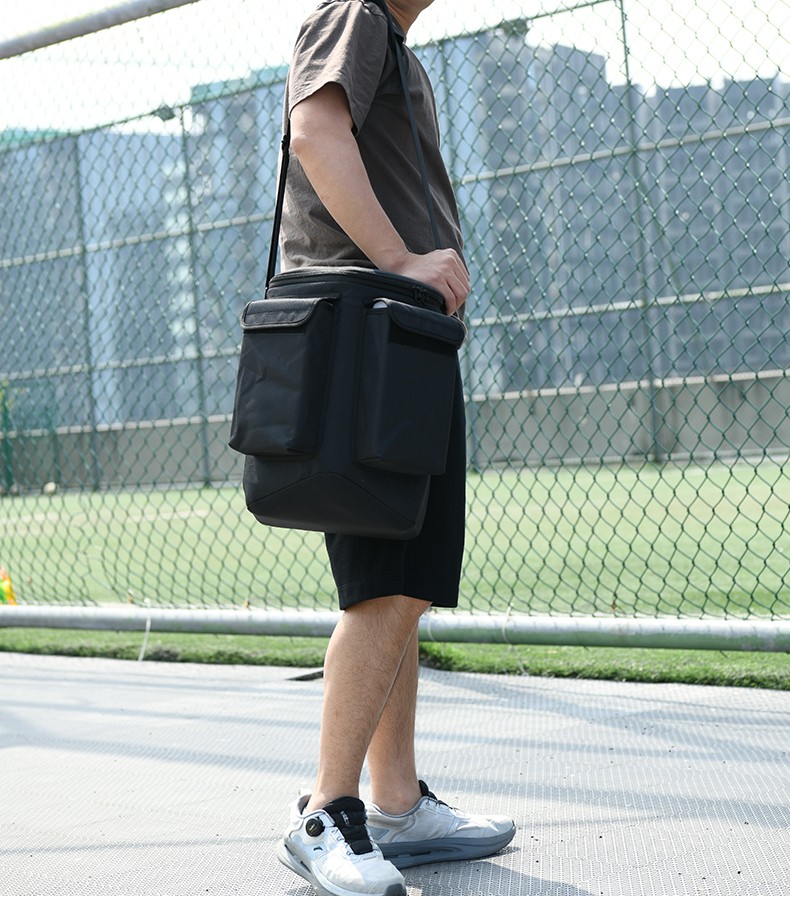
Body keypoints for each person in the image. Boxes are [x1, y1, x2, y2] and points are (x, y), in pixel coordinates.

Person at [275, 0, 515, 896]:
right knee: (388, 578)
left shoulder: (392, 41)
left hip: (394, 333)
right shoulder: (356, 14)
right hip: (366, 329)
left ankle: (398, 805)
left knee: (401, 577)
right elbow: (315, 132)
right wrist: (401, 258)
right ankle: (325, 813)